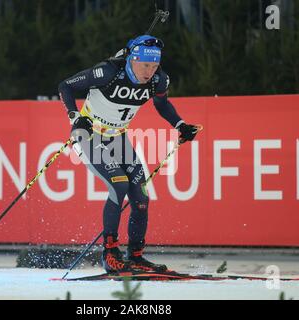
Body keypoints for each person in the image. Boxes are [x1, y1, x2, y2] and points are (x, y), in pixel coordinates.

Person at [58, 35, 199, 274]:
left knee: (141, 198)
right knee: (119, 184)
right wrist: (75, 117)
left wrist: (180, 125)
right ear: (132, 59)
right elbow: (66, 86)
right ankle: (110, 254)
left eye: (154, 66)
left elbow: (162, 105)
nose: (150, 71)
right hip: (89, 136)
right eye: (145, 65)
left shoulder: (158, 80)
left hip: (118, 138)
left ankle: (135, 256)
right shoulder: (107, 72)